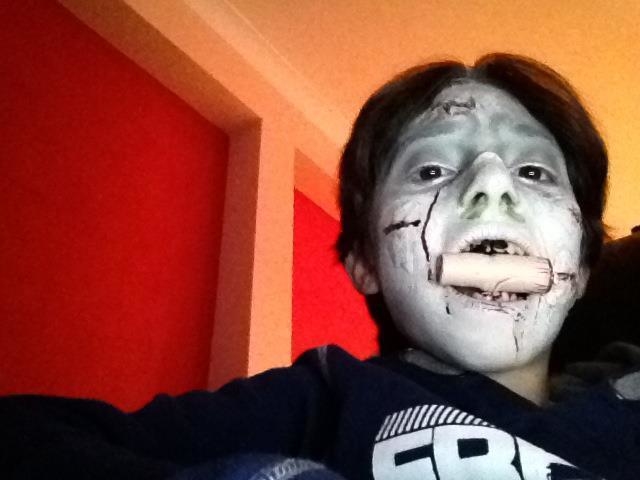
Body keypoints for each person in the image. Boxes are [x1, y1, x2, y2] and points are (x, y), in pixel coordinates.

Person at [1, 53, 639, 480]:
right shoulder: (328, 395)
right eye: (430, 170)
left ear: (583, 268)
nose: (492, 185)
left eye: (534, 171)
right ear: (365, 262)